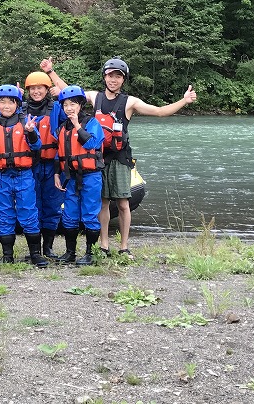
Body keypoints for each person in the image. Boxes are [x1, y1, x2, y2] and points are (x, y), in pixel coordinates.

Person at [45, 57, 197, 257]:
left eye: (118, 76)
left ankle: (124, 246)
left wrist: (184, 101)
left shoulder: (130, 102)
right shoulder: (95, 97)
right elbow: (70, 92)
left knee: (123, 203)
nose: (113, 80)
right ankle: (104, 244)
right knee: (103, 202)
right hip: (96, 157)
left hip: (119, 157)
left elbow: (159, 112)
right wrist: (50, 72)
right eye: (110, 76)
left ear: (123, 80)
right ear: (105, 77)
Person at [0, 84, 48, 268]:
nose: (6, 106)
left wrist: (31, 132)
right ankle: (7, 255)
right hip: (0, 176)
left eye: (10, 102)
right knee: (4, 214)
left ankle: (35, 254)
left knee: (28, 213)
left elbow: (36, 146)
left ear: (17, 104)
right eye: (2, 102)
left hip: (23, 175)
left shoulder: (26, 123)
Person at [53, 86, 104, 265]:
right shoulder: (61, 128)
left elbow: (91, 143)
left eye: (73, 104)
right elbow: (59, 154)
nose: (69, 108)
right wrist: (57, 174)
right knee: (70, 215)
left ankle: (91, 254)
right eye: (65, 105)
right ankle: (70, 253)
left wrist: (76, 125)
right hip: (71, 177)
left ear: (81, 104)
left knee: (90, 215)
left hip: (91, 176)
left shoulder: (91, 123)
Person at [23, 69, 65, 258]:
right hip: (30, 165)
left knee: (52, 206)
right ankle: (35, 249)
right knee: (33, 206)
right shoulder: (20, 109)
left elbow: (75, 105)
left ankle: (47, 247)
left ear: (47, 89)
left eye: (40, 88)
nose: (36, 92)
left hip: (52, 165)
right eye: (33, 88)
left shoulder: (57, 108)